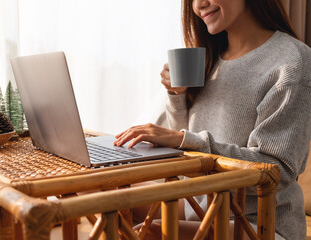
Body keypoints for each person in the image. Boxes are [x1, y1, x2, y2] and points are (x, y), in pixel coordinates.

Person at [114, 0, 311, 239]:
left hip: (260, 224)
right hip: (200, 209)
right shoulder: (208, 58)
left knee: (150, 233)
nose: (199, 5)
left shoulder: (292, 62)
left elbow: (276, 172)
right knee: (105, 197)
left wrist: (181, 139)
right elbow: (187, 151)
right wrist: (178, 96)